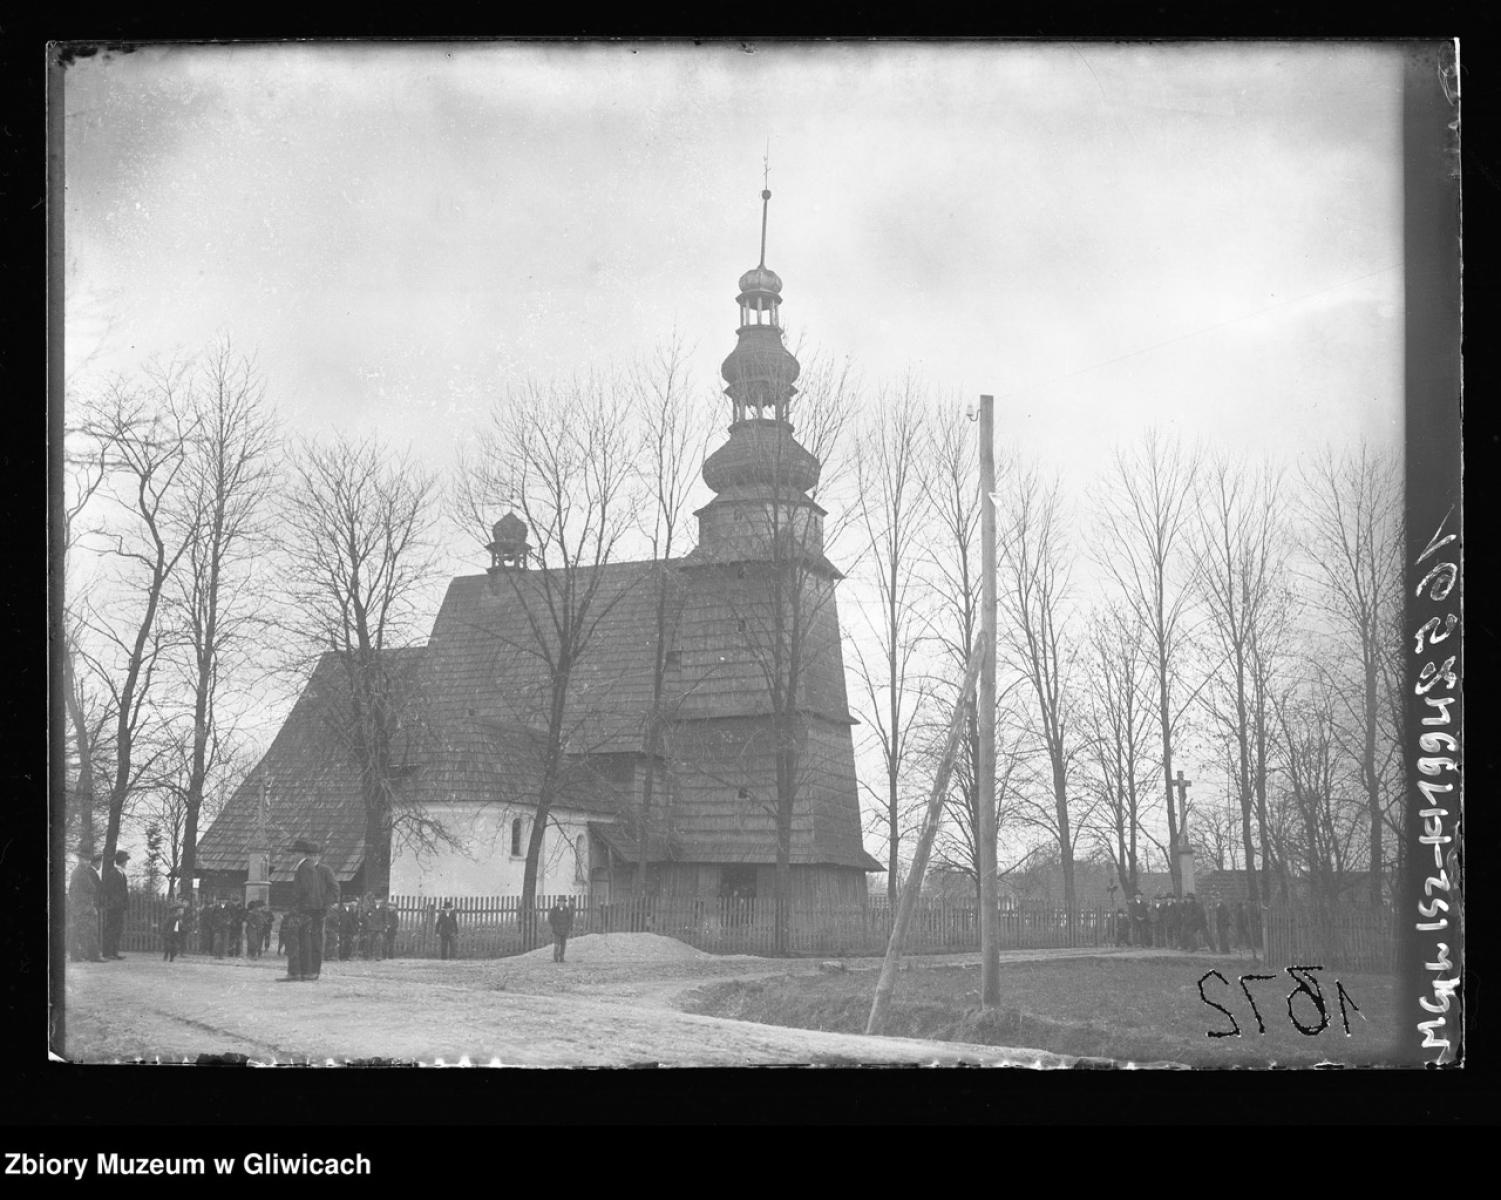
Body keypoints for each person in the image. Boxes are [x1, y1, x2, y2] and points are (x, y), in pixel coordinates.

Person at [279, 838, 331, 983]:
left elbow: (305, 889)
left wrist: (296, 906)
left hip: (302, 910)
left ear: (302, 853)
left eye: (295, 852)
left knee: (295, 941)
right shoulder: (309, 866)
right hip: (308, 910)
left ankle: (295, 972)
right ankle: (304, 972)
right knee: (304, 942)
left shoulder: (304, 867)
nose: (293, 856)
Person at [68, 851, 104, 963]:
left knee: (77, 931)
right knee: (90, 930)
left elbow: (71, 890)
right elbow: (91, 888)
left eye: (88, 860)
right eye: (86, 860)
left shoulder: (76, 872)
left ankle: (76, 956)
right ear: (81, 860)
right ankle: (94, 956)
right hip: (84, 907)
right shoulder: (82, 872)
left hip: (78, 906)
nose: (88, 862)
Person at [100, 850, 130, 960]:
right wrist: (116, 903)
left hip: (119, 907)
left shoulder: (121, 873)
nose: (126, 863)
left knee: (118, 929)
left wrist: (124, 904)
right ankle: (107, 953)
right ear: (122, 861)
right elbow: (110, 891)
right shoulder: (113, 873)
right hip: (114, 907)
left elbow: (123, 891)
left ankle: (114, 952)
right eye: (126, 861)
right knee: (111, 929)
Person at [548, 897, 574, 963]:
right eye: (560, 902)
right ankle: (555, 958)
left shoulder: (567, 910)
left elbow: (569, 919)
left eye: (563, 902)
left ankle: (561, 958)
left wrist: (568, 927)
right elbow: (551, 919)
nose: (561, 903)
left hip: (564, 930)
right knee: (556, 944)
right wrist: (555, 926)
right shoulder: (554, 910)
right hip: (557, 930)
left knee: (563, 945)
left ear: (564, 903)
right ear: (558, 902)